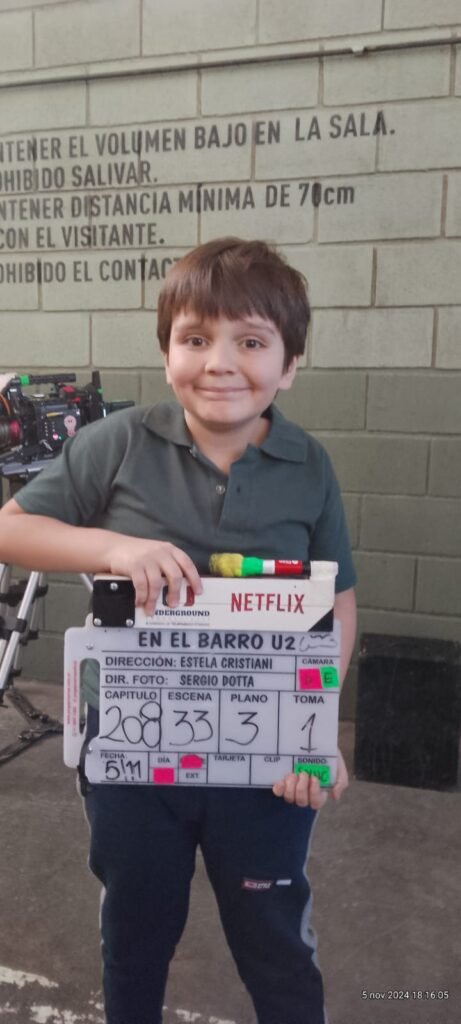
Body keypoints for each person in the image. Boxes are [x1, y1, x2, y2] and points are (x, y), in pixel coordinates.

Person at [0, 237, 356, 1024]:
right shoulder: (117, 443)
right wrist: (114, 548)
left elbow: (336, 605)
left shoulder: (308, 466)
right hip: (134, 761)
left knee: (275, 943)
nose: (219, 363)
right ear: (166, 355)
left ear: (289, 366)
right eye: (195, 339)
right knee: (135, 935)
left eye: (250, 342)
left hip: (265, 767)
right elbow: (11, 529)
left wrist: (312, 728)